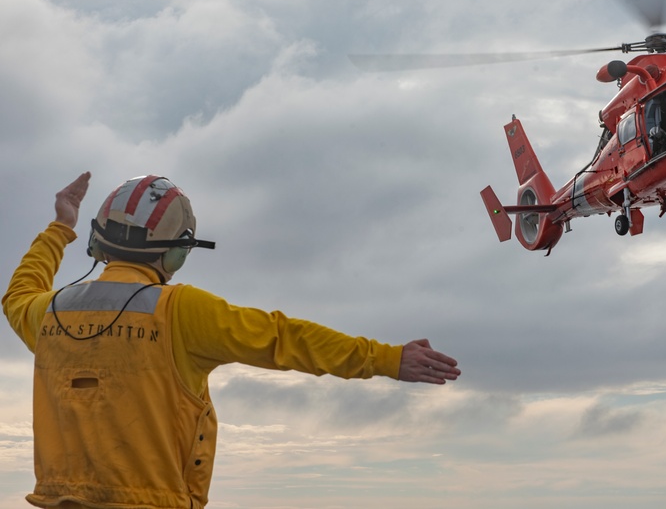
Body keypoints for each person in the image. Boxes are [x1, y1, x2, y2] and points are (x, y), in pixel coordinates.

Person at [3, 172, 460, 509]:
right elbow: (287, 338)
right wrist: (386, 358)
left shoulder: (49, 313)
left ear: (97, 243)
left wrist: (59, 226)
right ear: (176, 250)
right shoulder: (181, 311)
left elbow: (17, 294)